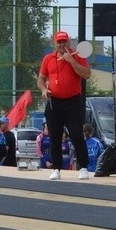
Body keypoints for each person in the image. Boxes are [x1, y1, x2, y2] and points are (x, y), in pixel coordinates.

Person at [37, 30, 92, 181]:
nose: (62, 44)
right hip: (54, 102)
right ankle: (56, 168)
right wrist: (43, 89)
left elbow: (86, 74)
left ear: (69, 42)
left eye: (64, 41)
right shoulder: (48, 58)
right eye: (59, 42)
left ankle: (83, 167)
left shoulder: (77, 56)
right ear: (54, 43)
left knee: (76, 134)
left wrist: (71, 61)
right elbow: (41, 79)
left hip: (73, 101)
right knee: (54, 136)